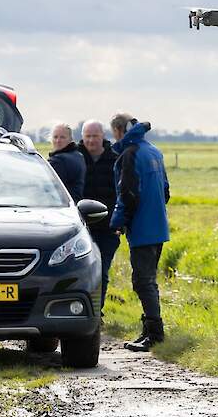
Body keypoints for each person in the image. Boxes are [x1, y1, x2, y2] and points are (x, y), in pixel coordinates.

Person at [109, 113, 170, 352]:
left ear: (119, 131)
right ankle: (150, 329)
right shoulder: (154, 151)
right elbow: (165, 190)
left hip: (143, 228)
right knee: (148, 280)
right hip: (158, 224)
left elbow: (128, 194)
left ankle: (155, 334)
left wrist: (117, 223)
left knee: (143, 282)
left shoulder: (131, 154)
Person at [76, 120, 120, 309]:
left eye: (95, 136)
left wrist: (120, 223)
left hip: (107, 228)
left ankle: (96, 312)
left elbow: (122, 194)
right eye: (88, 136)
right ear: (83, 137)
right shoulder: (75, 158)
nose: (91, 140)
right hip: (80, 229)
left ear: (103, 136)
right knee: (80, 272)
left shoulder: (115, 160)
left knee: (101, 271)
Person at [47, 123, 85, 201]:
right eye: (55, 137)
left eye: (62, 137)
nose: (58, 141)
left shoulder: (59, 161)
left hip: (61, 206)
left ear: (70, 139)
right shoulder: (78, 155)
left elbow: (47, 189)